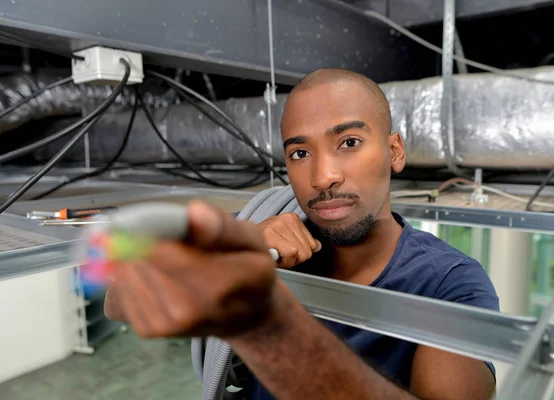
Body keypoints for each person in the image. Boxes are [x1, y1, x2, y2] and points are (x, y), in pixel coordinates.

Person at [104, 68, 499, 400]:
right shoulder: (266, 234)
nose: (323, 176)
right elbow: (118, 301)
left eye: (349, 142)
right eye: (300, 153)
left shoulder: (450, 283)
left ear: (394, 151)